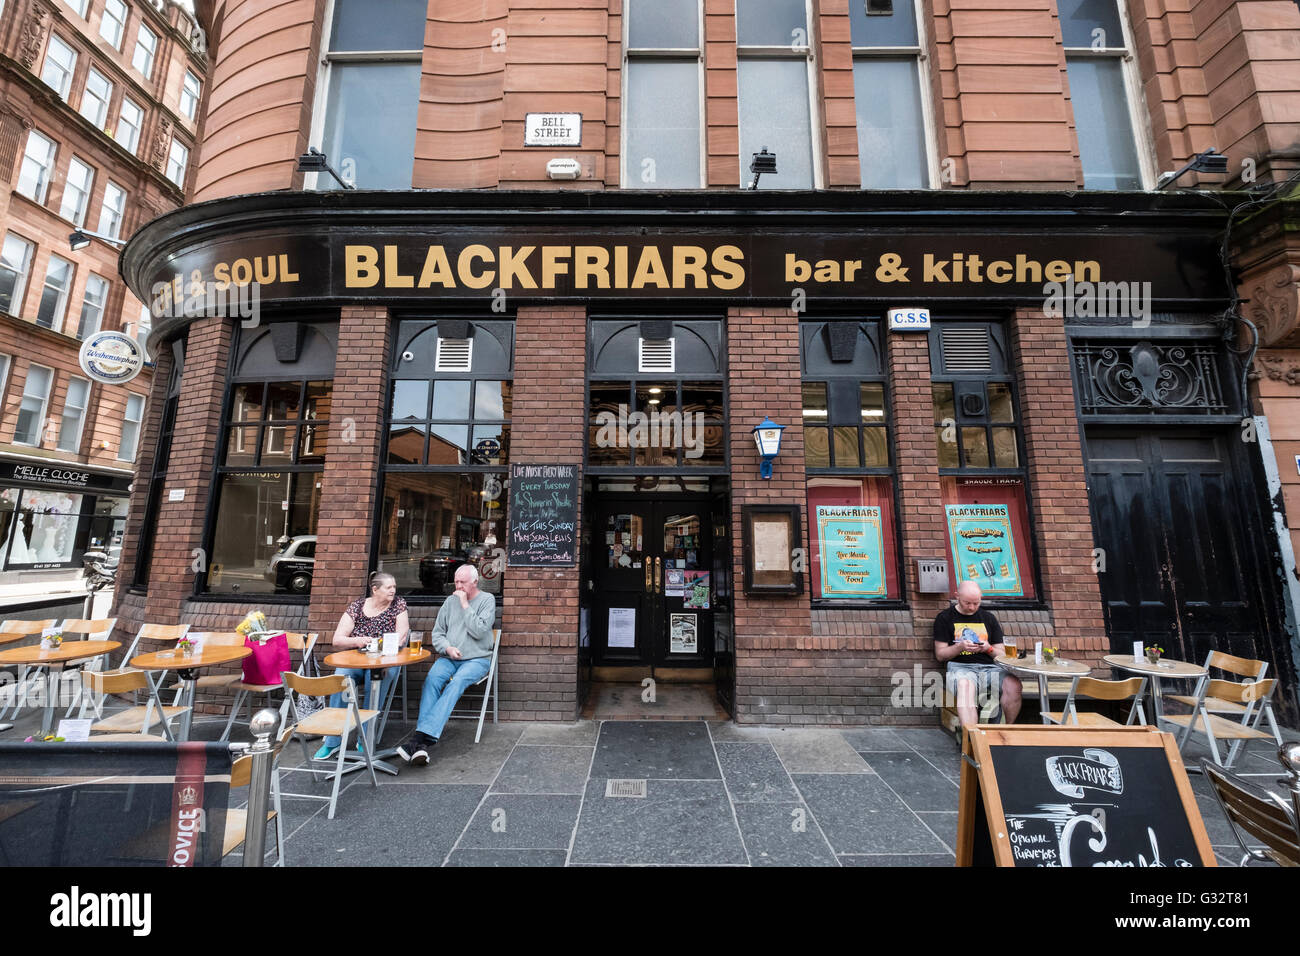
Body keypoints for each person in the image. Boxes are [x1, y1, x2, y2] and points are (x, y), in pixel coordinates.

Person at [397, 564, 496, 766]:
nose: (458, 586)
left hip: (477, 659)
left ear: (475, 582)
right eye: (456, 581)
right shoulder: (449, 602)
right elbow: (438, 633)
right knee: (432, 680)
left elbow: (479, 631)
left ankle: (418, 739)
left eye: (463, 582)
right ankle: (422, 745)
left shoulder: (487, 600)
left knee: (456, 683)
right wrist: (447, 648)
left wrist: (465, 606)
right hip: (450, 657)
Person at [313, 571, 410, 760]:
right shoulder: (357, 607)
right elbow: (338, 640)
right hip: (356, 659)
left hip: (385, 661)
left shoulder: (399, 605)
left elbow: (402, 636)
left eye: (394, 587)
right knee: (341, 678)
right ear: (375, 589)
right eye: (389, 587)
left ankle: (365, 738)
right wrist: (359, 640)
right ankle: (333, 741)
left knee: (377, 680)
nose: (393, 591)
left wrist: (381, 647)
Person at [933, 580, 1021, 728]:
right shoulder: (945, 618)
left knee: (1013, 684)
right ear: (957, 596)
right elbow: (940, 655)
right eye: (967, 603)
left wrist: (987, 648)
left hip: (990, 668)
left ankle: (1006, 732)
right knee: (965, 685)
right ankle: (972, 741)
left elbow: (1002, 655)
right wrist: (960, 646)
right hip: (960, 668)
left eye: (976, 603)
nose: (972, 607)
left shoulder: (988, 618)